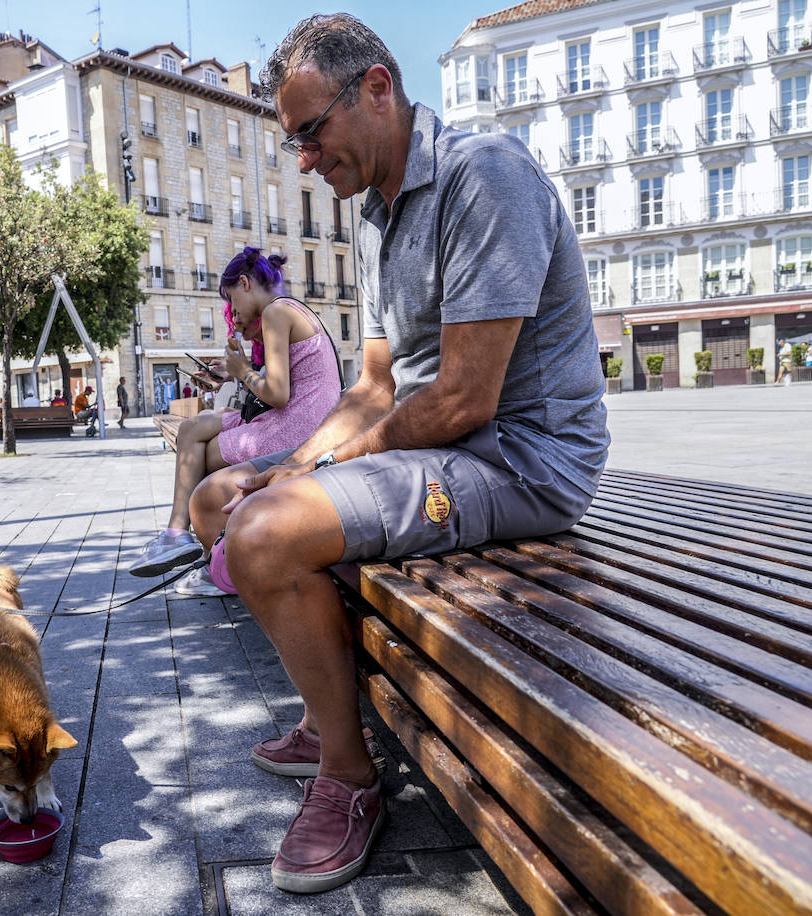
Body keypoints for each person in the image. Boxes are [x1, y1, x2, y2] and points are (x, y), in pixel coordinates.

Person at [183, 15, 609, 894]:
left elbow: (462, 398)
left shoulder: (482, 176)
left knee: (263, 536)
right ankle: (323, 708)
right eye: (291, 139)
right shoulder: (374, 214)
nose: (303, 159)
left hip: (522, 458)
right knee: (219, 498)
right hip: (441, 451)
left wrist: (317, 475)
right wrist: (295, 461)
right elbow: (375, 388)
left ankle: (349, 775)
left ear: (377, 88)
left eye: (310, 132)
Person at [128, 247, 341, 595]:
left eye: (231, 300)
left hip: (299, 429)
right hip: (299, 420)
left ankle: (218, 563)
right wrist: (236, 373)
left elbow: (278, 392)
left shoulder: (276, 312)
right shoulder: (290, 309)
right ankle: (178, 534)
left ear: (243, 282)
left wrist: (242, 372)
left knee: (207, 453)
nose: (233, 312)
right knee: (191, 428)